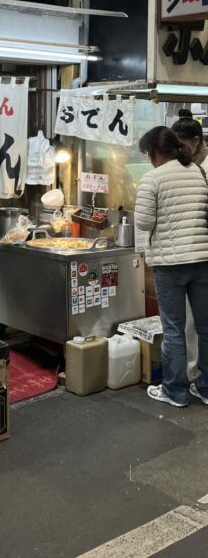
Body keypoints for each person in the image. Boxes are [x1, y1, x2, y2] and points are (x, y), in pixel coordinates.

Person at [135, 125, 208, 407]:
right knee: (205, 328)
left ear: (154, 152)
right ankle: (204, 387)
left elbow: (143, 223)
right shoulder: (199, 172)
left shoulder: (153, 179)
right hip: (203, 259)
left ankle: (175, 390)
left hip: (170, 263)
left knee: (174, 329)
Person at [171, 110, 208, 379]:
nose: (178, 151)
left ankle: (195, 374)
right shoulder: (186, 166)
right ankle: (193, 373)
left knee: (198, 321)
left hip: (200, 248)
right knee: (189, 320)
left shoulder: (204, 168)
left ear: (196, 141)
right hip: (191, 246)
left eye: (181, 145)